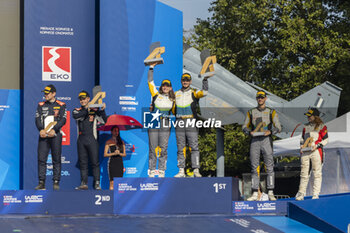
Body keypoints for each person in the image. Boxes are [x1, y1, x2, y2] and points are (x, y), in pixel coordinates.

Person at [242, 90, 282, 201]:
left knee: (269, 166)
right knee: (254, 167)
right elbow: (244, 126)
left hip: (266, 140)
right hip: (254, 140)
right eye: (258, 97)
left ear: (265, 99)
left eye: (262, 97)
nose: (260, 99)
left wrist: (271, 132)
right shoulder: (251, 112)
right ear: (256, 99)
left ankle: (270, 191)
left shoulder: (271, 112)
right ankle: (255, 192)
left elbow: (279, 127)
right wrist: (248, 131)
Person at [174, 73, 208, 178]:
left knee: (194, 146)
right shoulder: (176, 93)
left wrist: (205, 79)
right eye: (184, 80)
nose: (185, 82)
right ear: (181, 81)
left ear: (190, 81)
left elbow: (205, 92)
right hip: (179, 121)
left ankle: (196, 170)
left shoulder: (194, 92)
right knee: (180, 147)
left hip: (191, 121)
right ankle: (181, 170)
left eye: (187, 80)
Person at [73, 91, 107, 190]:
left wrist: (103, 110)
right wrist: (88, 109)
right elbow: (76, 116)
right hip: (81, 139)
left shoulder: (95, 110)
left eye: (84, 98)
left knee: (95, 162)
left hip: (92, 139)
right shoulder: (76, 110)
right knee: (83, 162)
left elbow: (104, 121)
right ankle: (84, 183)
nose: (82, 100)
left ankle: (97, 183)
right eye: (80, 99)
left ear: (88, 99)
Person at [35, 84, 67, 190]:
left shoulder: (61, 104)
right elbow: (38, 119)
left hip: (55, 135)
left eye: (47, 93)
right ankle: (41, 182)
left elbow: (63, 119)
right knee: (41, 159)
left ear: (54, 94)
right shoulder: (41, 104)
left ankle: (56, 182)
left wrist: (55, 129)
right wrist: (41, 129)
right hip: (44, 135)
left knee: (56, 159)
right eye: (44, 93)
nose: (45, 95)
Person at [147, 64, 175, 177]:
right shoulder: (155, 94)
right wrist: (151, 68)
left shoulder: (173, 99)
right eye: (164, 85)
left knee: (163, 147)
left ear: (171, 88)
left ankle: (162, 170)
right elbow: (150, 82)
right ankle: (152, 169)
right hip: (153, 121)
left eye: (167, 86)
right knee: (153, 147)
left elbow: (176, 112)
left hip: (165, 122)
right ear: (161, 87)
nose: (165, 87)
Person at [295, 108, 328, 200]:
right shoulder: (305, 126)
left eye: (310, 116)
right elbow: (302, 139)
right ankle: (301, 193)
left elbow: (326, 139)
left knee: (317, 173)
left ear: (315, 116)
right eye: (308, 116)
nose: (308, 117)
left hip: (316, 151)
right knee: (304, 173)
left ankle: (315, 194)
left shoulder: (322, 126)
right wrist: (301, 146)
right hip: (306, 151)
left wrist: (318, 146)